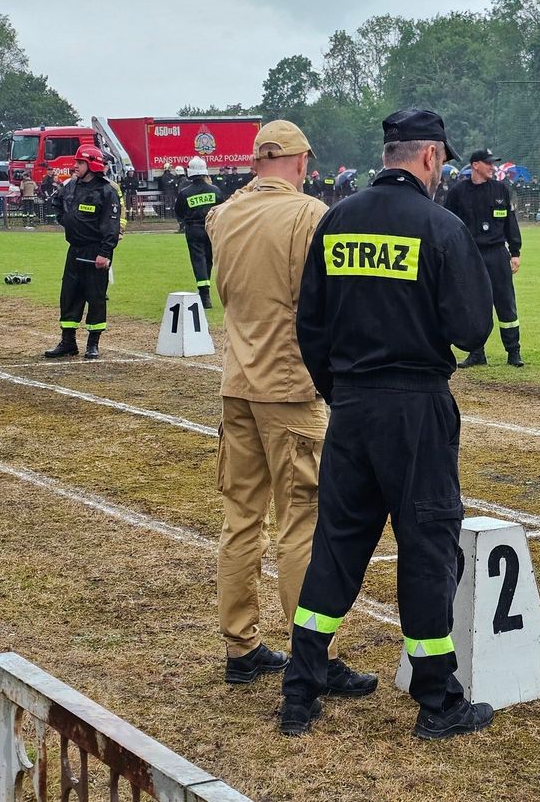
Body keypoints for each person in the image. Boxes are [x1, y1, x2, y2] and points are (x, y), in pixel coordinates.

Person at [281, 108, 495, 739]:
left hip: (350, 406)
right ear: (430, 158)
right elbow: (472, 328)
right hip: (415, 406)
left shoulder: (336, 220)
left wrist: (338, 390)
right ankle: (438, 699)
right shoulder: (442, 226)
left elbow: (310, 323)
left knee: (338, 544)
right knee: (427, 545)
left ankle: (301, 687)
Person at [205, 121, 331, 686]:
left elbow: (226, 289)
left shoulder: (224, 213)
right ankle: (312, 657)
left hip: (238, 380)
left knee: (241, 520)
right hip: (288, 384)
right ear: (301, 161)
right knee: (301, 521)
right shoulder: (308, 214)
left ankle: (240, 644)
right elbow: (320, 300)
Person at [444, 148, 525, 367]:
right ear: (475, 165)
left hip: (497, 253)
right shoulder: (457, 192)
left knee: (506, 302)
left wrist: (515, 252)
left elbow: (510, 222)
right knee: (473, 304)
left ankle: (513, 351)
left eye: (493, 163)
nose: (492, 167)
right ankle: (477, 353)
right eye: (488, 163)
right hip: (471, 254)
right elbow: (448, 225)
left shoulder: (500, 190)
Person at [44, 145, 120, 360]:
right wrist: (66, 221)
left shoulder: (107, 191)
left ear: (91, 165)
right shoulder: (70, 186)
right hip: (75, 250)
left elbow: (111, 226)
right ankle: (68, 342)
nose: (75, 166)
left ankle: (93, 343)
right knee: (69, 295)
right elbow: (56, 203)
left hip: (96, 251)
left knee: (95, 297)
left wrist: (104, 253)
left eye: (79, 163)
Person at [174, 157, 222, 308]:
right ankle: (206, 292)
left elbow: (179, 212)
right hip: (211, 229)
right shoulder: (215, 190)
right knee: (208, 260)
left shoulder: (184, 193)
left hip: (193, 230)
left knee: (198, 260)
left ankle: (204, 295)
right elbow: (222, 209)